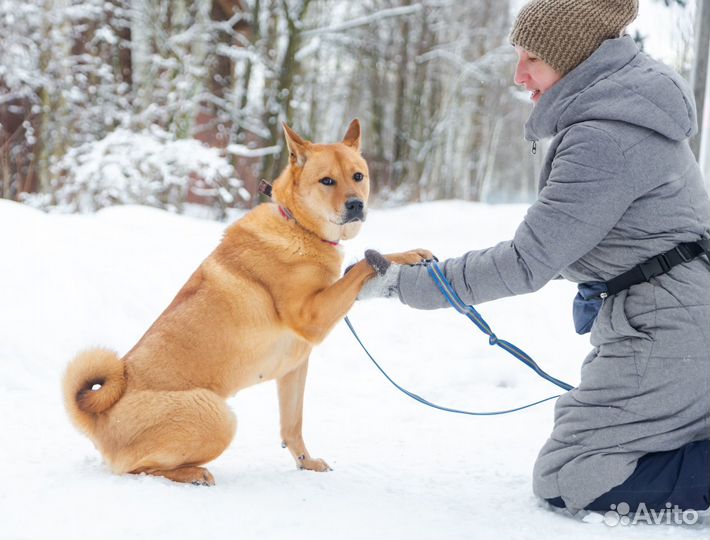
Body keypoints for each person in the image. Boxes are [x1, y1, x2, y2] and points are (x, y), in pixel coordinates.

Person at [357, 0, 710, 514]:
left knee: (571, 479)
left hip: (671, 327)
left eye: (534, 59)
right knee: (581, 453)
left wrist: (403, 283)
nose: (519, 75)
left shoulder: (604, 137)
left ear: (577, 60)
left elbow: (527, 263)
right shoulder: (619, 113)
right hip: (669, 317)